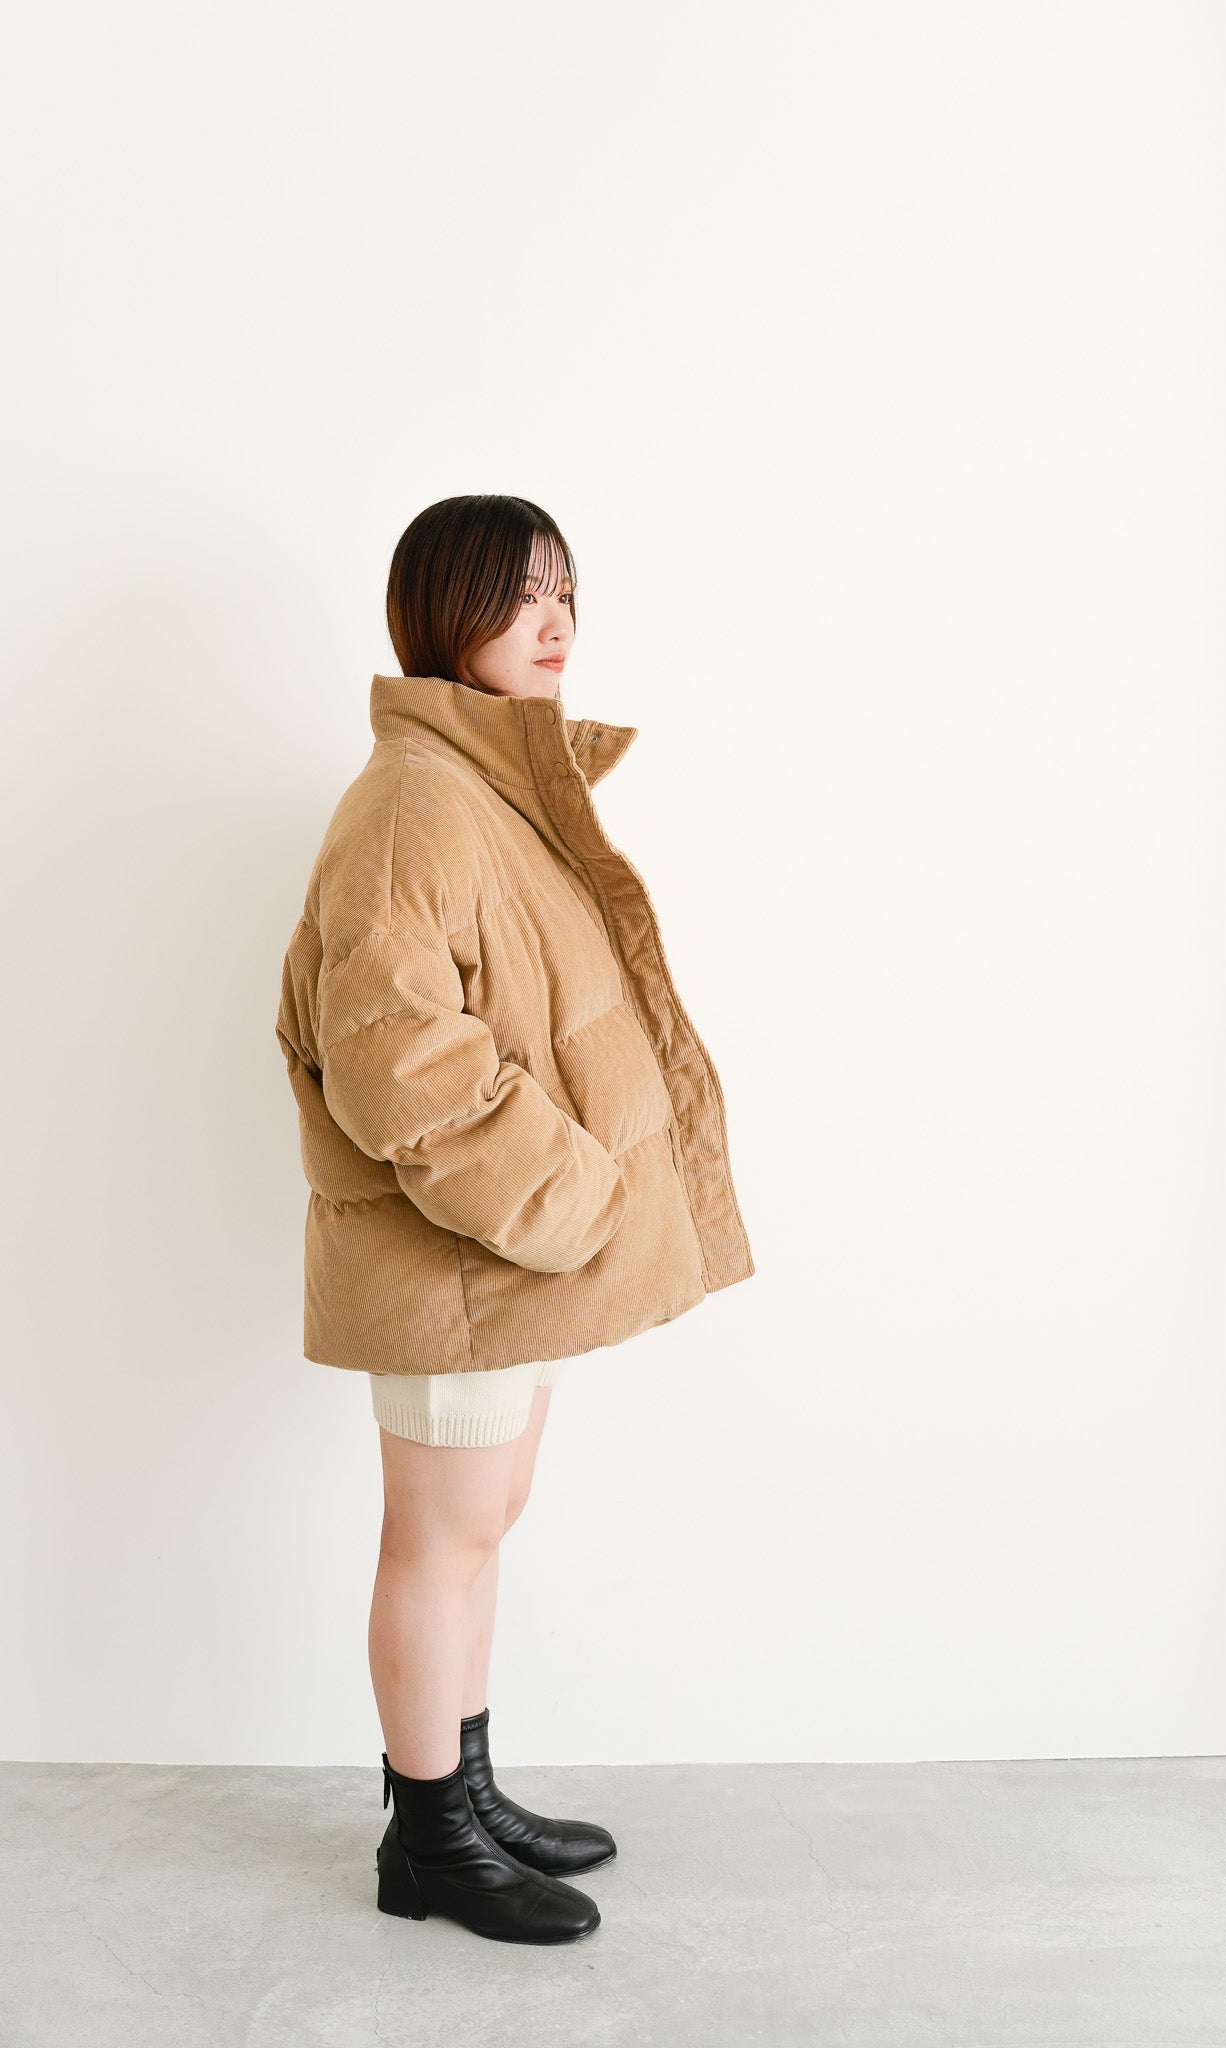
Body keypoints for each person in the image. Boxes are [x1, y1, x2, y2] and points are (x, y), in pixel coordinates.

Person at [274, 495, 754, 1943]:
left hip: (502, 1256)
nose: (557, 621)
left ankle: (464, 1794)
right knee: (439, 1540)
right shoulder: (417, 801)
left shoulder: (482, 785)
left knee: (480, 1527)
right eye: (520, 592)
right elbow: (399, 1062)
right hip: (461, 1258)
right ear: (445, 612)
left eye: (567, 592)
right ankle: (428, 1845)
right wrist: (571, 1194)